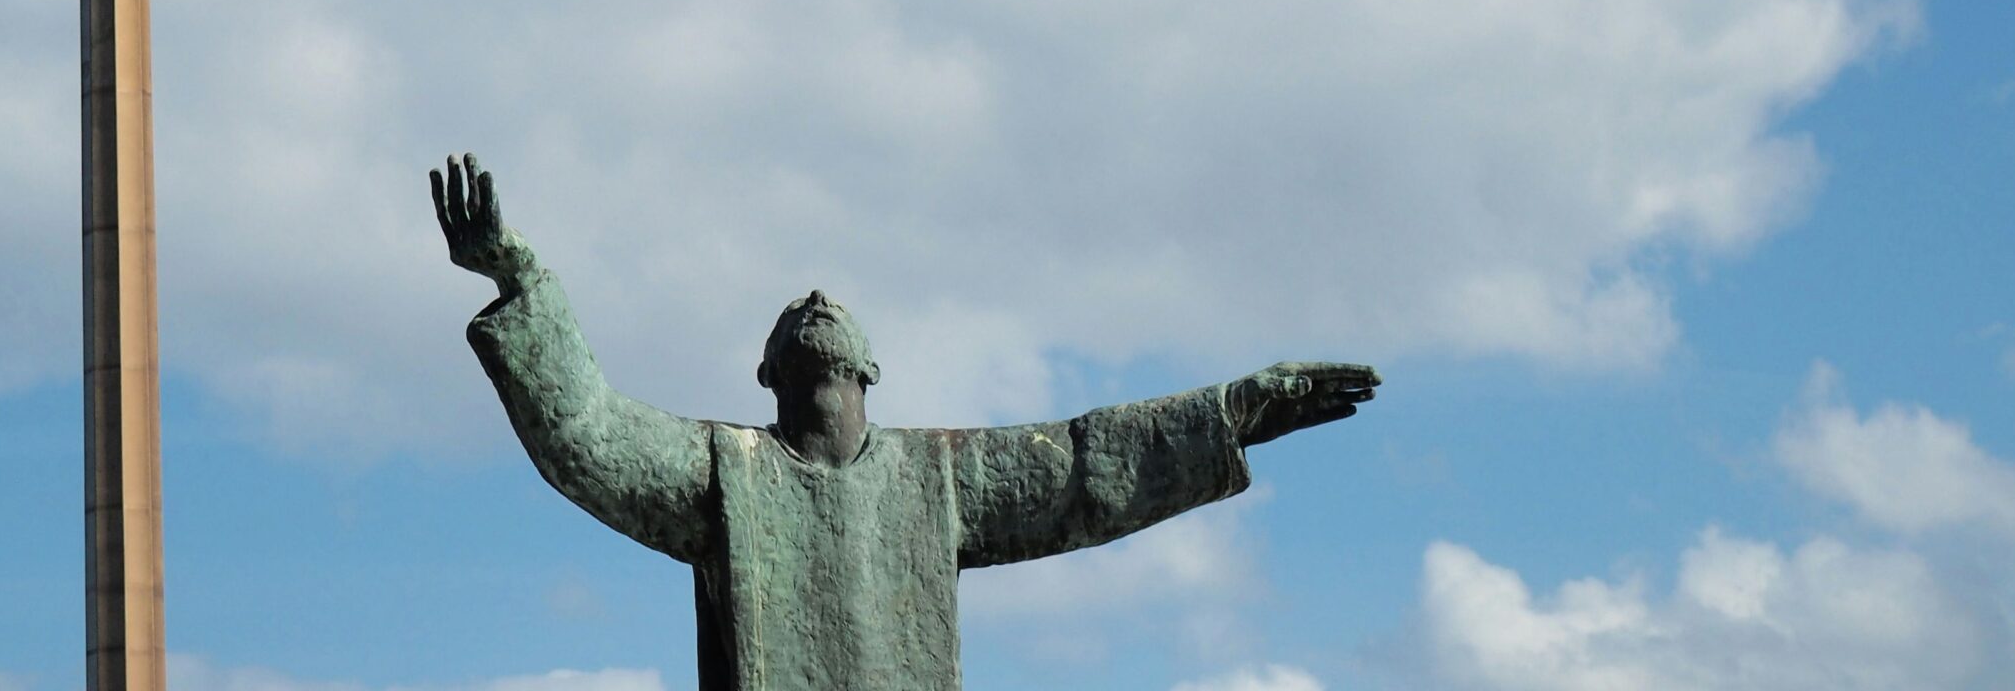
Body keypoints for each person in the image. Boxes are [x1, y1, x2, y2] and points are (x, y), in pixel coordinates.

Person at [433, 152, 1378, 690]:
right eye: (795, 316)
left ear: (871, 371)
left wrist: (1235, 414)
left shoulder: (938, 479)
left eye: (831, 310)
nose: (815, 298)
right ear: (766, 373)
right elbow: (586, 434)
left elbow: (1088, 466)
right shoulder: (725, 470)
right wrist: (522, 281)